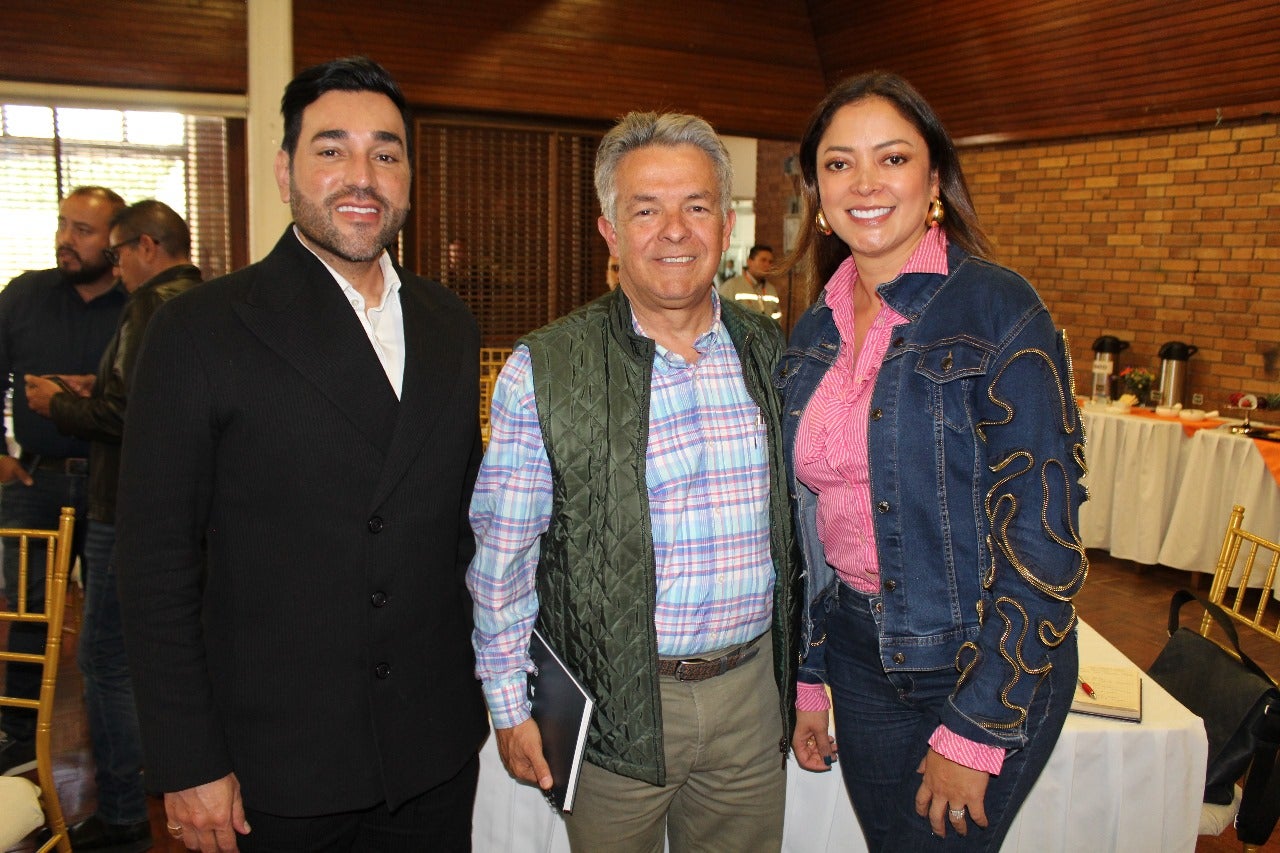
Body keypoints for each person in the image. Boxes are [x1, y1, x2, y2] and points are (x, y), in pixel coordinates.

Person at [114, 56, 487, 852]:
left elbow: (459, 531)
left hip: (434, 754)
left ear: (409, 178)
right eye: (331, 149)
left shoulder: (449, 322)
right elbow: (154, 567)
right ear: (286, 169)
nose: (362, 176)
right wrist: (187, 760)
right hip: (275, 771)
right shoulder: (198, 331)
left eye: (386, 153)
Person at [468, 111, 798, 853]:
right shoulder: (546, 370)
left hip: (750, 695)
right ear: (610, 232)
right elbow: (504, 557)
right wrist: (506, 701)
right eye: (646, 210)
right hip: (615, 704)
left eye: (696, 205)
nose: (674, 230)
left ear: (725, 221)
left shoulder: (769, 353)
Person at [779, 72, 1086, 851]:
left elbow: (1045, 545)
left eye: (892, 158)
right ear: (816, 190)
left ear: (935, 177)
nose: (866, 183)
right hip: (856, 654)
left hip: (975, 657)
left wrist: (978, 726)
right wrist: (810, 675)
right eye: (840, 164)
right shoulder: (812, 331)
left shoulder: (997, 307)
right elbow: (814, 530)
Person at [26, 199, 202, 852]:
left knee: (105, 662)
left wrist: (59, 403)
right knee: (156, 653)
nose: (116, 266)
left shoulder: (152, 305)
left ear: (147, 247)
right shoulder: (202, 303)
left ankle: (125, 813)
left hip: (120, 507)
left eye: (119, 251)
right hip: (173, 510)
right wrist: (93, 386)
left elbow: (128, 419)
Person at [0, 185, 127, 775]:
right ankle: (19, 735)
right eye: (62, 225)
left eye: (83, 230)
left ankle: (120, 749)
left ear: (117, 241)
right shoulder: (24, 295)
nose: (65, 241)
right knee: (29, 611)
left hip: (114, 490)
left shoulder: (139, 304)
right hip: (36, 483)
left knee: (112, 623)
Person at [718, 244, 781, 321]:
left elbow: (777, 317)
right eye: (763, 260)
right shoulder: (732, 286)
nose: (767, 265)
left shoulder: (771, 290)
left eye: (770, 262)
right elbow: (720, 316)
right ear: (749, 262)